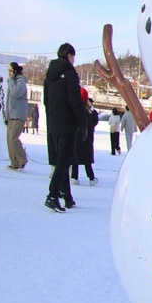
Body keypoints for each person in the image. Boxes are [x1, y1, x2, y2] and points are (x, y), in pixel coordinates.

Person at [44, 43, 87, 211]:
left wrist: (52, 117)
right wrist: (82, 123)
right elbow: (75, 100)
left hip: (53, 123)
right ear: (69, 55)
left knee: (62, 159)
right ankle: (53, 194)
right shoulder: (69, 73)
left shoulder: (50, 74)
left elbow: (46, 100)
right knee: (64, 160)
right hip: (67, 123)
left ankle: (67, 197)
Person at [71, 90, 99, 186]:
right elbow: (93, 123)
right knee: (87, 161)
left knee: (75, 159)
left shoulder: (75, 109)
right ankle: (91, 178)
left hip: (76, 137)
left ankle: (74, 177)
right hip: (86, 138)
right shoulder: (90, 112)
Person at [5, 62, 29, 170]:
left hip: (18, 115)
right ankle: (14, 162)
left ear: (15, 71)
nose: (9, 73)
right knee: (9, 140)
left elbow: (16, 93)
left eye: (10, 70)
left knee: (13, 138)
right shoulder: (13, 81)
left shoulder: (20, 81)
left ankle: (22, 159)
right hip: (12, 116)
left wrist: (10, 81)